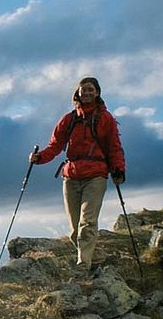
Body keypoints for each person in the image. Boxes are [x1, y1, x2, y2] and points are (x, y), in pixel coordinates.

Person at [29, 77, 126, 274]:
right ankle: (99, 259)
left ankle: (83, 267)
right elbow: (55, 146)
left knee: (87, 223)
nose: (87, 93)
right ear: (78, 93)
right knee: (75, 231)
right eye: (84, 90)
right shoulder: (69, 119)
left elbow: (114, 147)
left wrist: (118, 169)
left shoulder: (106, 119)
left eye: (91, 90)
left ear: (97, 92)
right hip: (71, 176)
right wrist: (39, 158)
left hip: (96, 175)